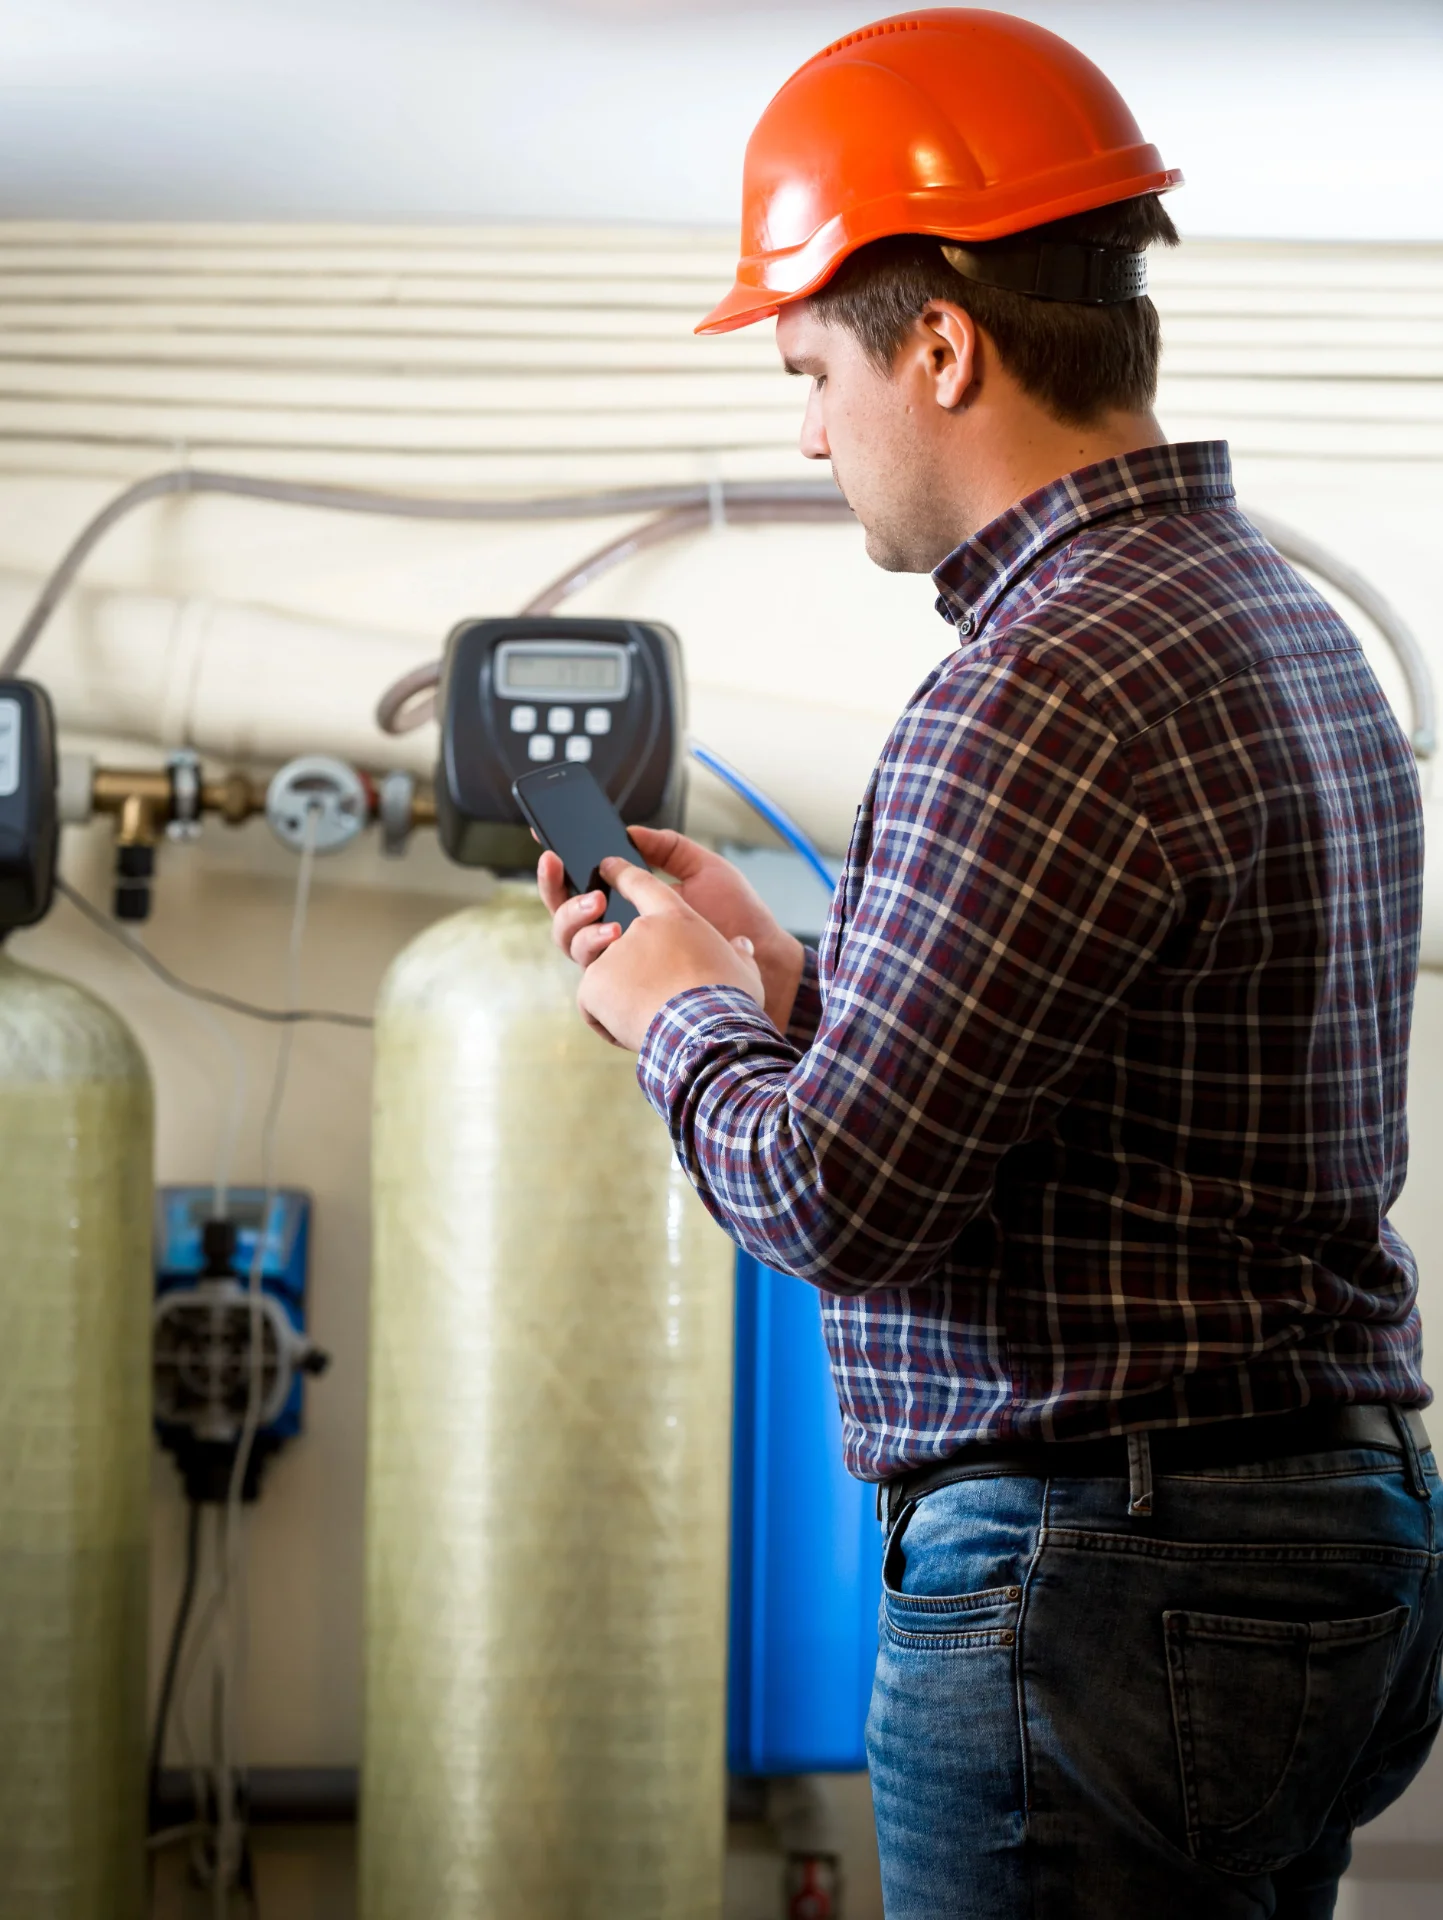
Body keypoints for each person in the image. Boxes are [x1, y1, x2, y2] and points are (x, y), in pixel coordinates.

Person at [538, 12, 1442, 1916]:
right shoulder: (1277, 623)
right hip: (1309, 1541)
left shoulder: (1035, 684)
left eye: (810, 370)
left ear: (940, 345)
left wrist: (670, 1011)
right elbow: (1113, 1100)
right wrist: (792, 989)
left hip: (1104, 1575)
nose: (805, 431)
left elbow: (839, 1199)